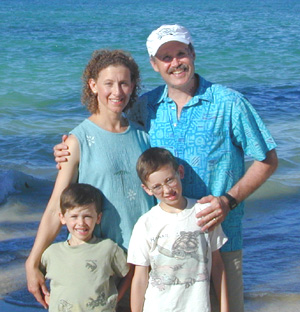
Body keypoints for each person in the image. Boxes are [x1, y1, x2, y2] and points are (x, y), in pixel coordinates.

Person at [53, 25, 278, 312]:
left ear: (192, 53)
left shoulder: (229, 103)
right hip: (164, 247)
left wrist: (228, 201)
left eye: (180, 53)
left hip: (221, 239)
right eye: (165, 57)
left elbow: (268, 159)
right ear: (154, 64)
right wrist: (70, 147)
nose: (175, 63)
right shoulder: (147, 107)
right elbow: (111, 126)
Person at [26, 49, 155, 310]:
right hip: (100, 266)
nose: (117, 92)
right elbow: (56, 208)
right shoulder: (77, 141)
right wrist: (32, 263)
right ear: (93, 86)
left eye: (124, 83)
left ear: (133, 87)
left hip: (145, 260)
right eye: (108, 83)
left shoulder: (143, 136)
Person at [127, 147, 229, 312]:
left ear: (180, 172)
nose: (167, 190)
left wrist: (225, 308)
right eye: (157, 186)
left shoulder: (203, 212)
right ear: (147, 189)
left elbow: (217, 265)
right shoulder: (145, 223)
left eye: (169, 180)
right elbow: (140, 277)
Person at [40, 183, 131, 311]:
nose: (81, 223)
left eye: (87, 216)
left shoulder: (108, 248)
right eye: (74, 216)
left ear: (98, 218)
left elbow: (129, 272)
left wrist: (116, 298)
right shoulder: (52, 253)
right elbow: (37, 276)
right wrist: (47, 296)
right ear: (62, 218)